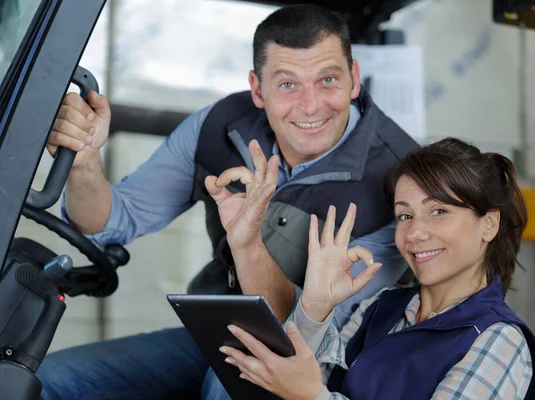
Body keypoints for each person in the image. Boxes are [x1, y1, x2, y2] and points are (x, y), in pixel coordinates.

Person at [37, 4, 419, 399]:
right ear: (257, 89)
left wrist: (248, 242)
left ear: (354, 79)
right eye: (288, 84)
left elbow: (306, 332)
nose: (310, 105)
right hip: (216, 335)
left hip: (314, 366)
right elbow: (109, 222)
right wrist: (83, 162)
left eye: (328, 80)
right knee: (44, 382)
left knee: (226, 388)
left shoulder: (400, 181)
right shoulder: (218, 123)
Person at [216, 138, 535, 400]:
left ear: (488, 224)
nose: (415, 232)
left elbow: (307, 390)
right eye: (405, 215)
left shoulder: (498, 340)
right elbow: (289, 379)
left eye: (439, 212)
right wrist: (315, 306)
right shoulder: (382, 306)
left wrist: (311, 397)